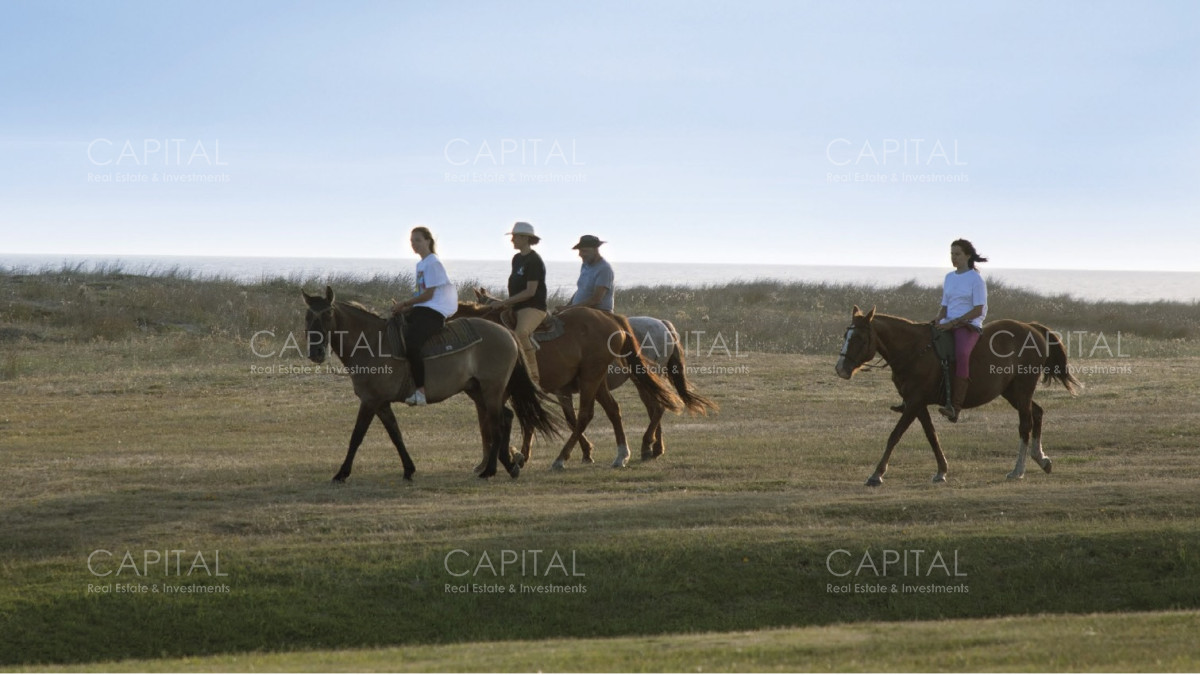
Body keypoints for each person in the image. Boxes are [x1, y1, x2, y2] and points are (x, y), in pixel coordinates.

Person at [391, 226, 457, 406]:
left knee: (412, 345)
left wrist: (405, 303)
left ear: (428, 241)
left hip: (434, 312)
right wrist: (404, 309)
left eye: (418, 240)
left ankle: (421, 391)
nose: (414, 244)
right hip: (423, 309)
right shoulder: (421, 264)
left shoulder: (433, 263)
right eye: (412, 241)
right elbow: (421, 295)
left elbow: (428, 295)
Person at [478, 221, 547, 386]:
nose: (512, 240)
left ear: (525, 238)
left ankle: (533, 377)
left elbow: (530, 292)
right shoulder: (517, 259)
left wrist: (504, 302)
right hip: (516, 306)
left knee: (521, 333)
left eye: (515, 237)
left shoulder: (534, 260)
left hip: (533, 307)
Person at [934, 238, 989, 422]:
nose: (953, 258)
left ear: (967, 256)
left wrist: (954, 323)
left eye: (957, 254)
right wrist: (938, 319)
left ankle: (955, 407)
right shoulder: (949, 277)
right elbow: (944, 306)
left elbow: (978, 310)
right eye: (952, 254)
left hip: (968, 325)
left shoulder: (976, 279)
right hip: (947, 322)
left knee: (962, 354)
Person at [555, 234, 615, 313]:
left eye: (584, 251)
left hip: (598, 313)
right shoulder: (585, 265)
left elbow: (596, 299)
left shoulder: (604, 269)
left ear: (595, 250)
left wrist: (569, 309)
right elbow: (581, 290)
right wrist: (566, 307)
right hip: (580, 311)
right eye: (580, 251)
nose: (580, 254)